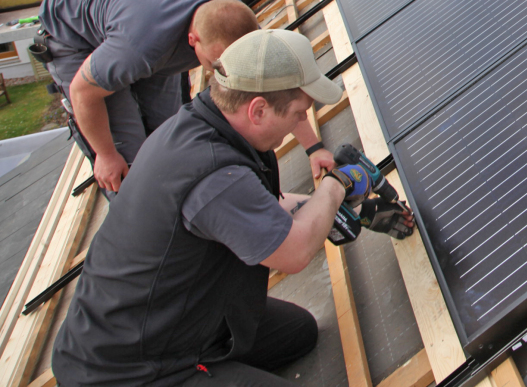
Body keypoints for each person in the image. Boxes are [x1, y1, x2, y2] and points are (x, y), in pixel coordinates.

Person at [51, 28, 407, 386]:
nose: (301, 123)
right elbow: (295, 253)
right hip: (128, 366)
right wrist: (338, 184)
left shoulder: (208, 124)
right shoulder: (212, 173)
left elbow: (266, 207)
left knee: (298, 333)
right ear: (258, 109)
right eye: (299, 113)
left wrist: (344, 206)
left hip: (179, 315)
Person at [39, 0, 335, 192]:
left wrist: (314, 148)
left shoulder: (234, 19)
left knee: (172, 136)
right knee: (132, 164)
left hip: (140, 6)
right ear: (193, 40)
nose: (223, 72)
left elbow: (274, 85)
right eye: (217, 64)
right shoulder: (139, 47)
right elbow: (82, 92)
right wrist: (105, 155)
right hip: (74, 37)